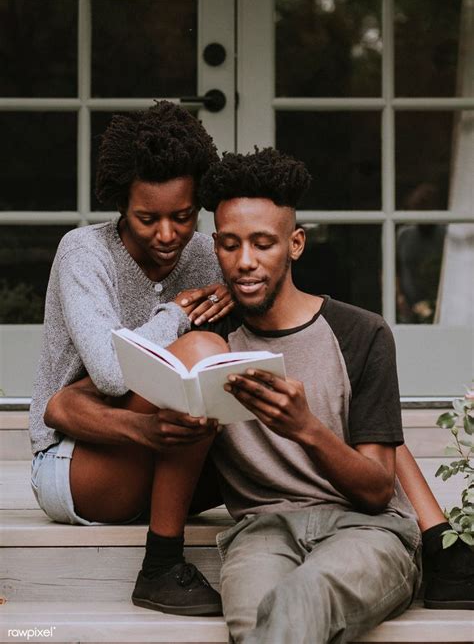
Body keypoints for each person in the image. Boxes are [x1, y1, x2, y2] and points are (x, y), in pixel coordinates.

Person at [43, 146, 474, 622]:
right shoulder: (194, 324)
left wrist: (303, 425)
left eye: (262, 244)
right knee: (259, 614)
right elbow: (68, 400)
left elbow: (376, 479)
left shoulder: (358, 332)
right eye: (230, 246)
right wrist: (175, 331)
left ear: (296, 244)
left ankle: (441, 545)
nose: (244, 260)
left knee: (365, 427)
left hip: (348, 519)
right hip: (184, 492)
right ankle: (162, 559)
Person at [29, 101, 235, 616]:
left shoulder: (207, 254)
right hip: (74, 463)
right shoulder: (84, 252)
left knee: (215, 372)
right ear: (121, 204)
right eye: (148, 218)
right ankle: (162, 564)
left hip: (168, 450)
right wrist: (178, 314)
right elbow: (114, 373)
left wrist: (236, 294)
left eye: (183, 217)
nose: (167, 235)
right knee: (200, 353)